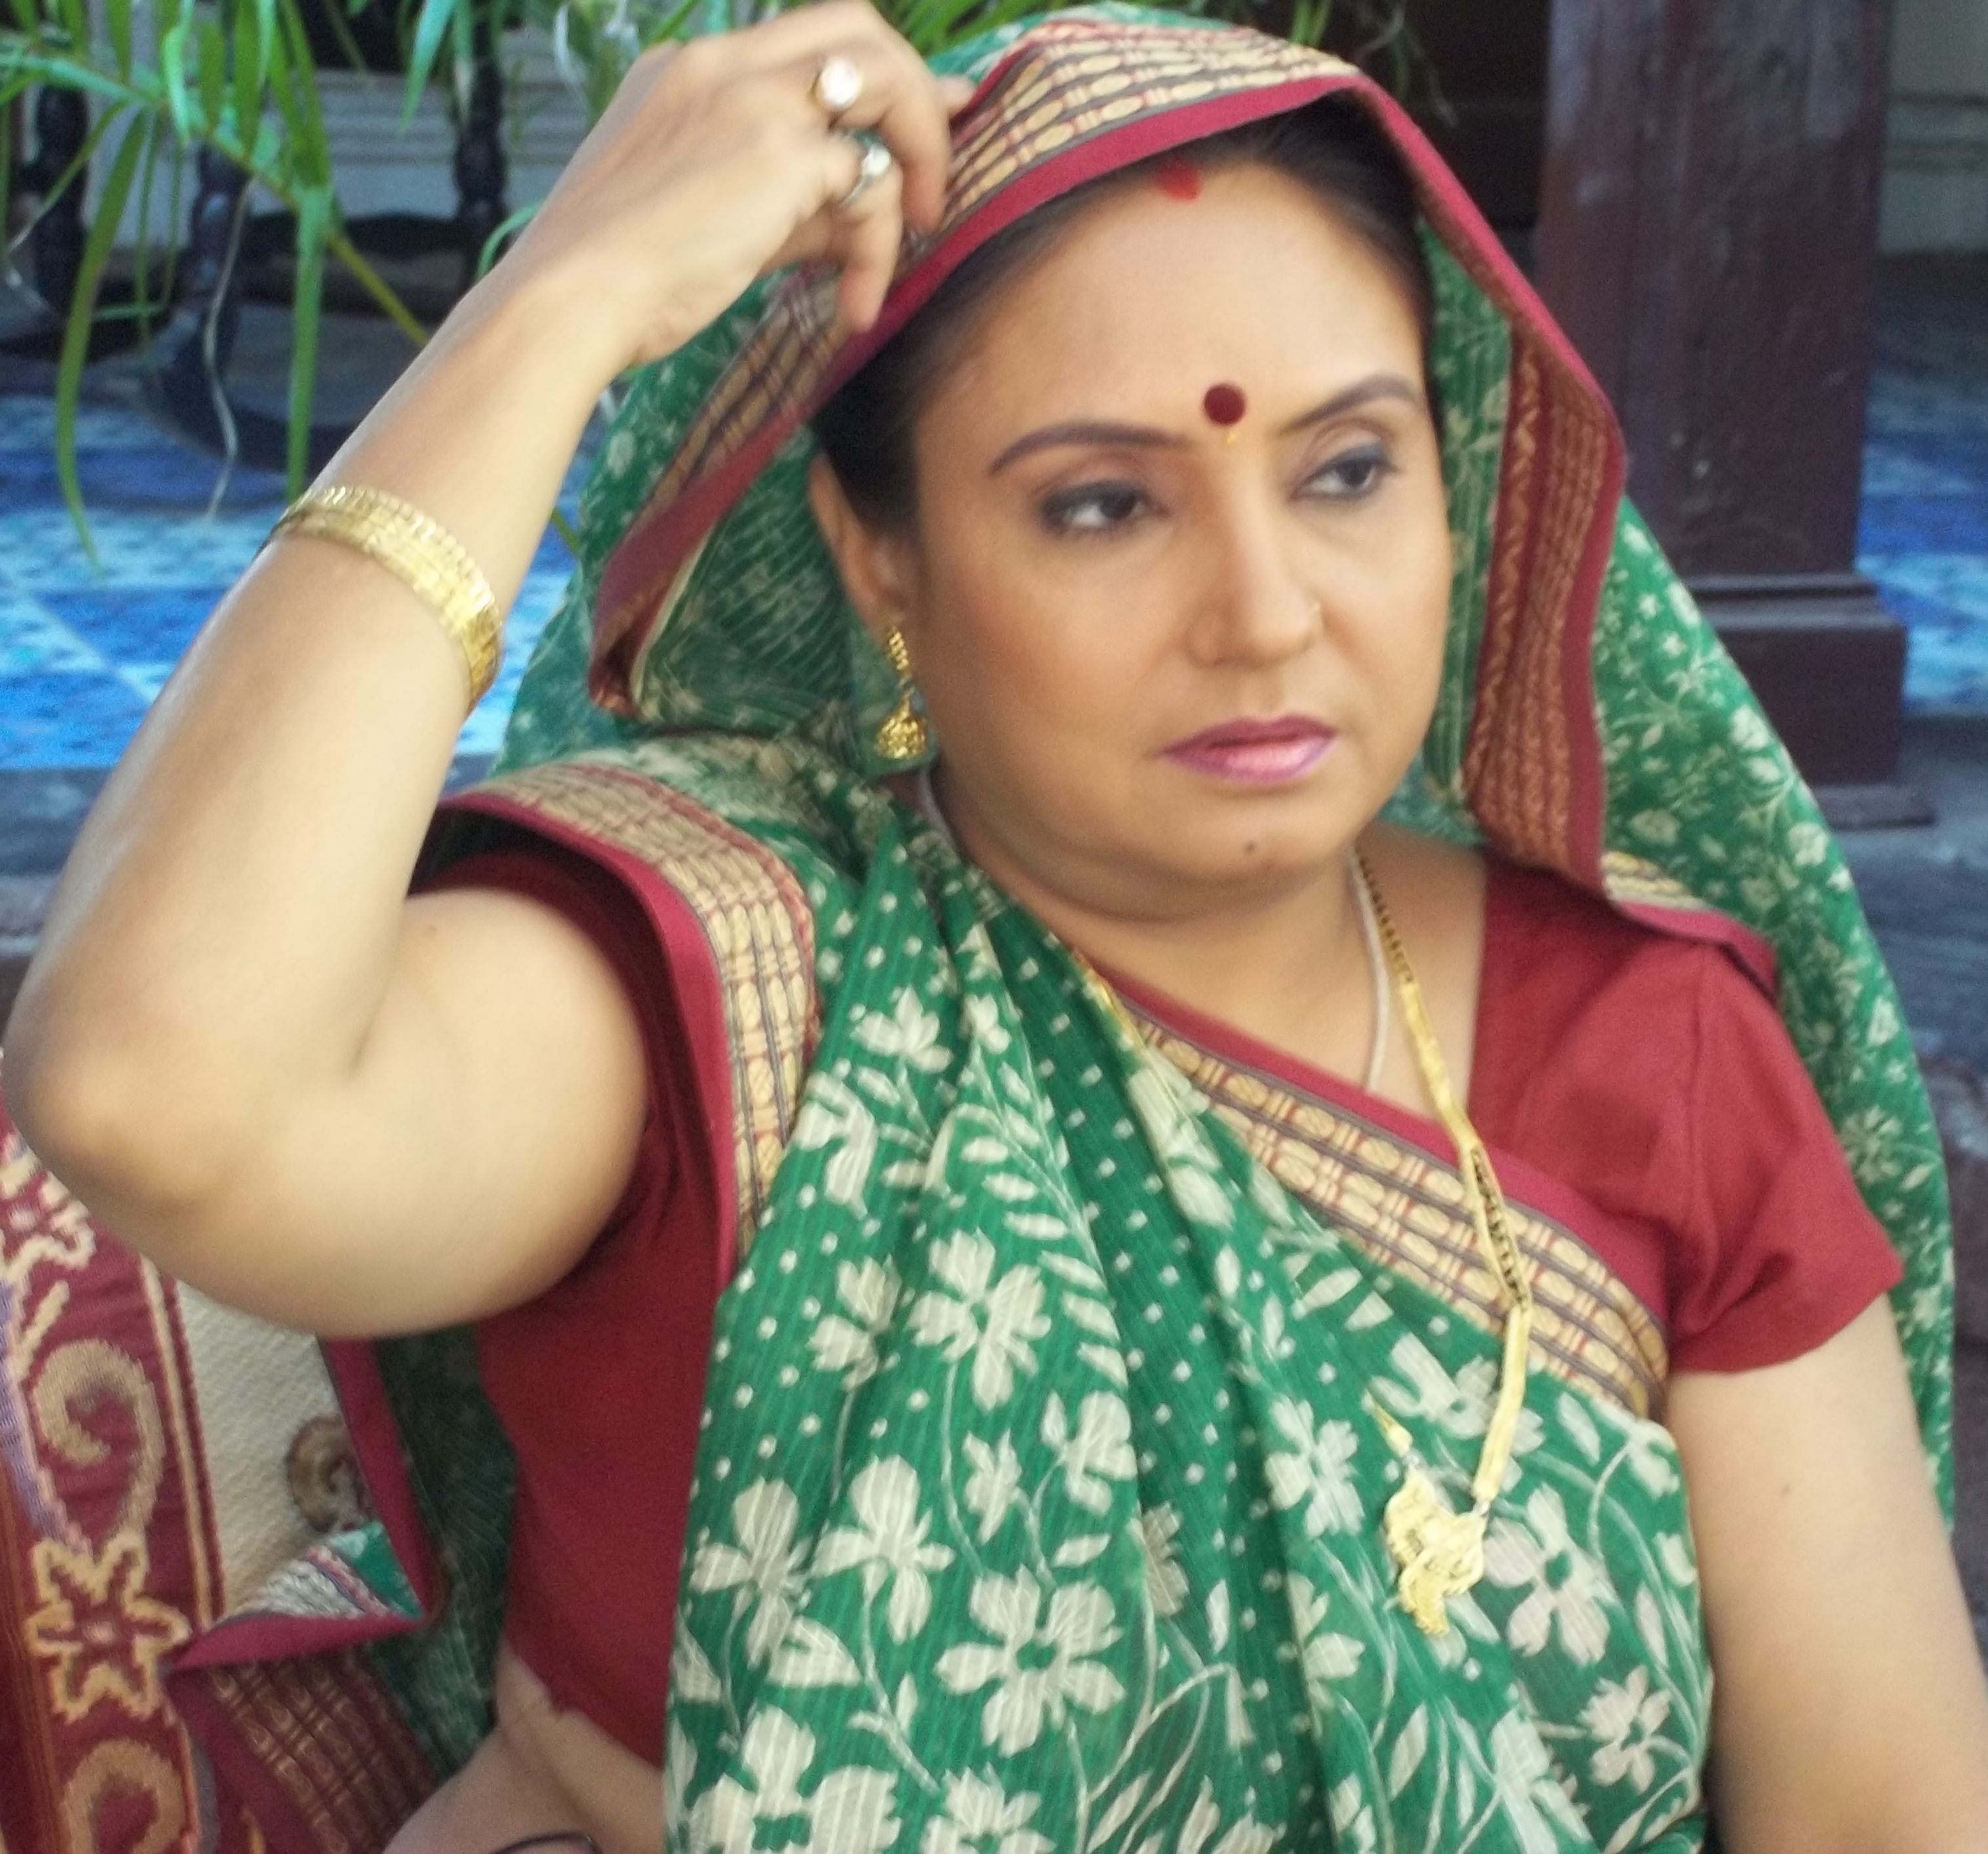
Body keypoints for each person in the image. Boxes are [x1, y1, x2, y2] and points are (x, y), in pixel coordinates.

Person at [8, 7, 1987, 1851]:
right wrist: (557, 302)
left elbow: (1884, 1814)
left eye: (1348, 471)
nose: (1268, 610)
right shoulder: (737, 982)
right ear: (882, 559)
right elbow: (152, 1084)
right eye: (1104, 505)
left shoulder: (1658, 1042)